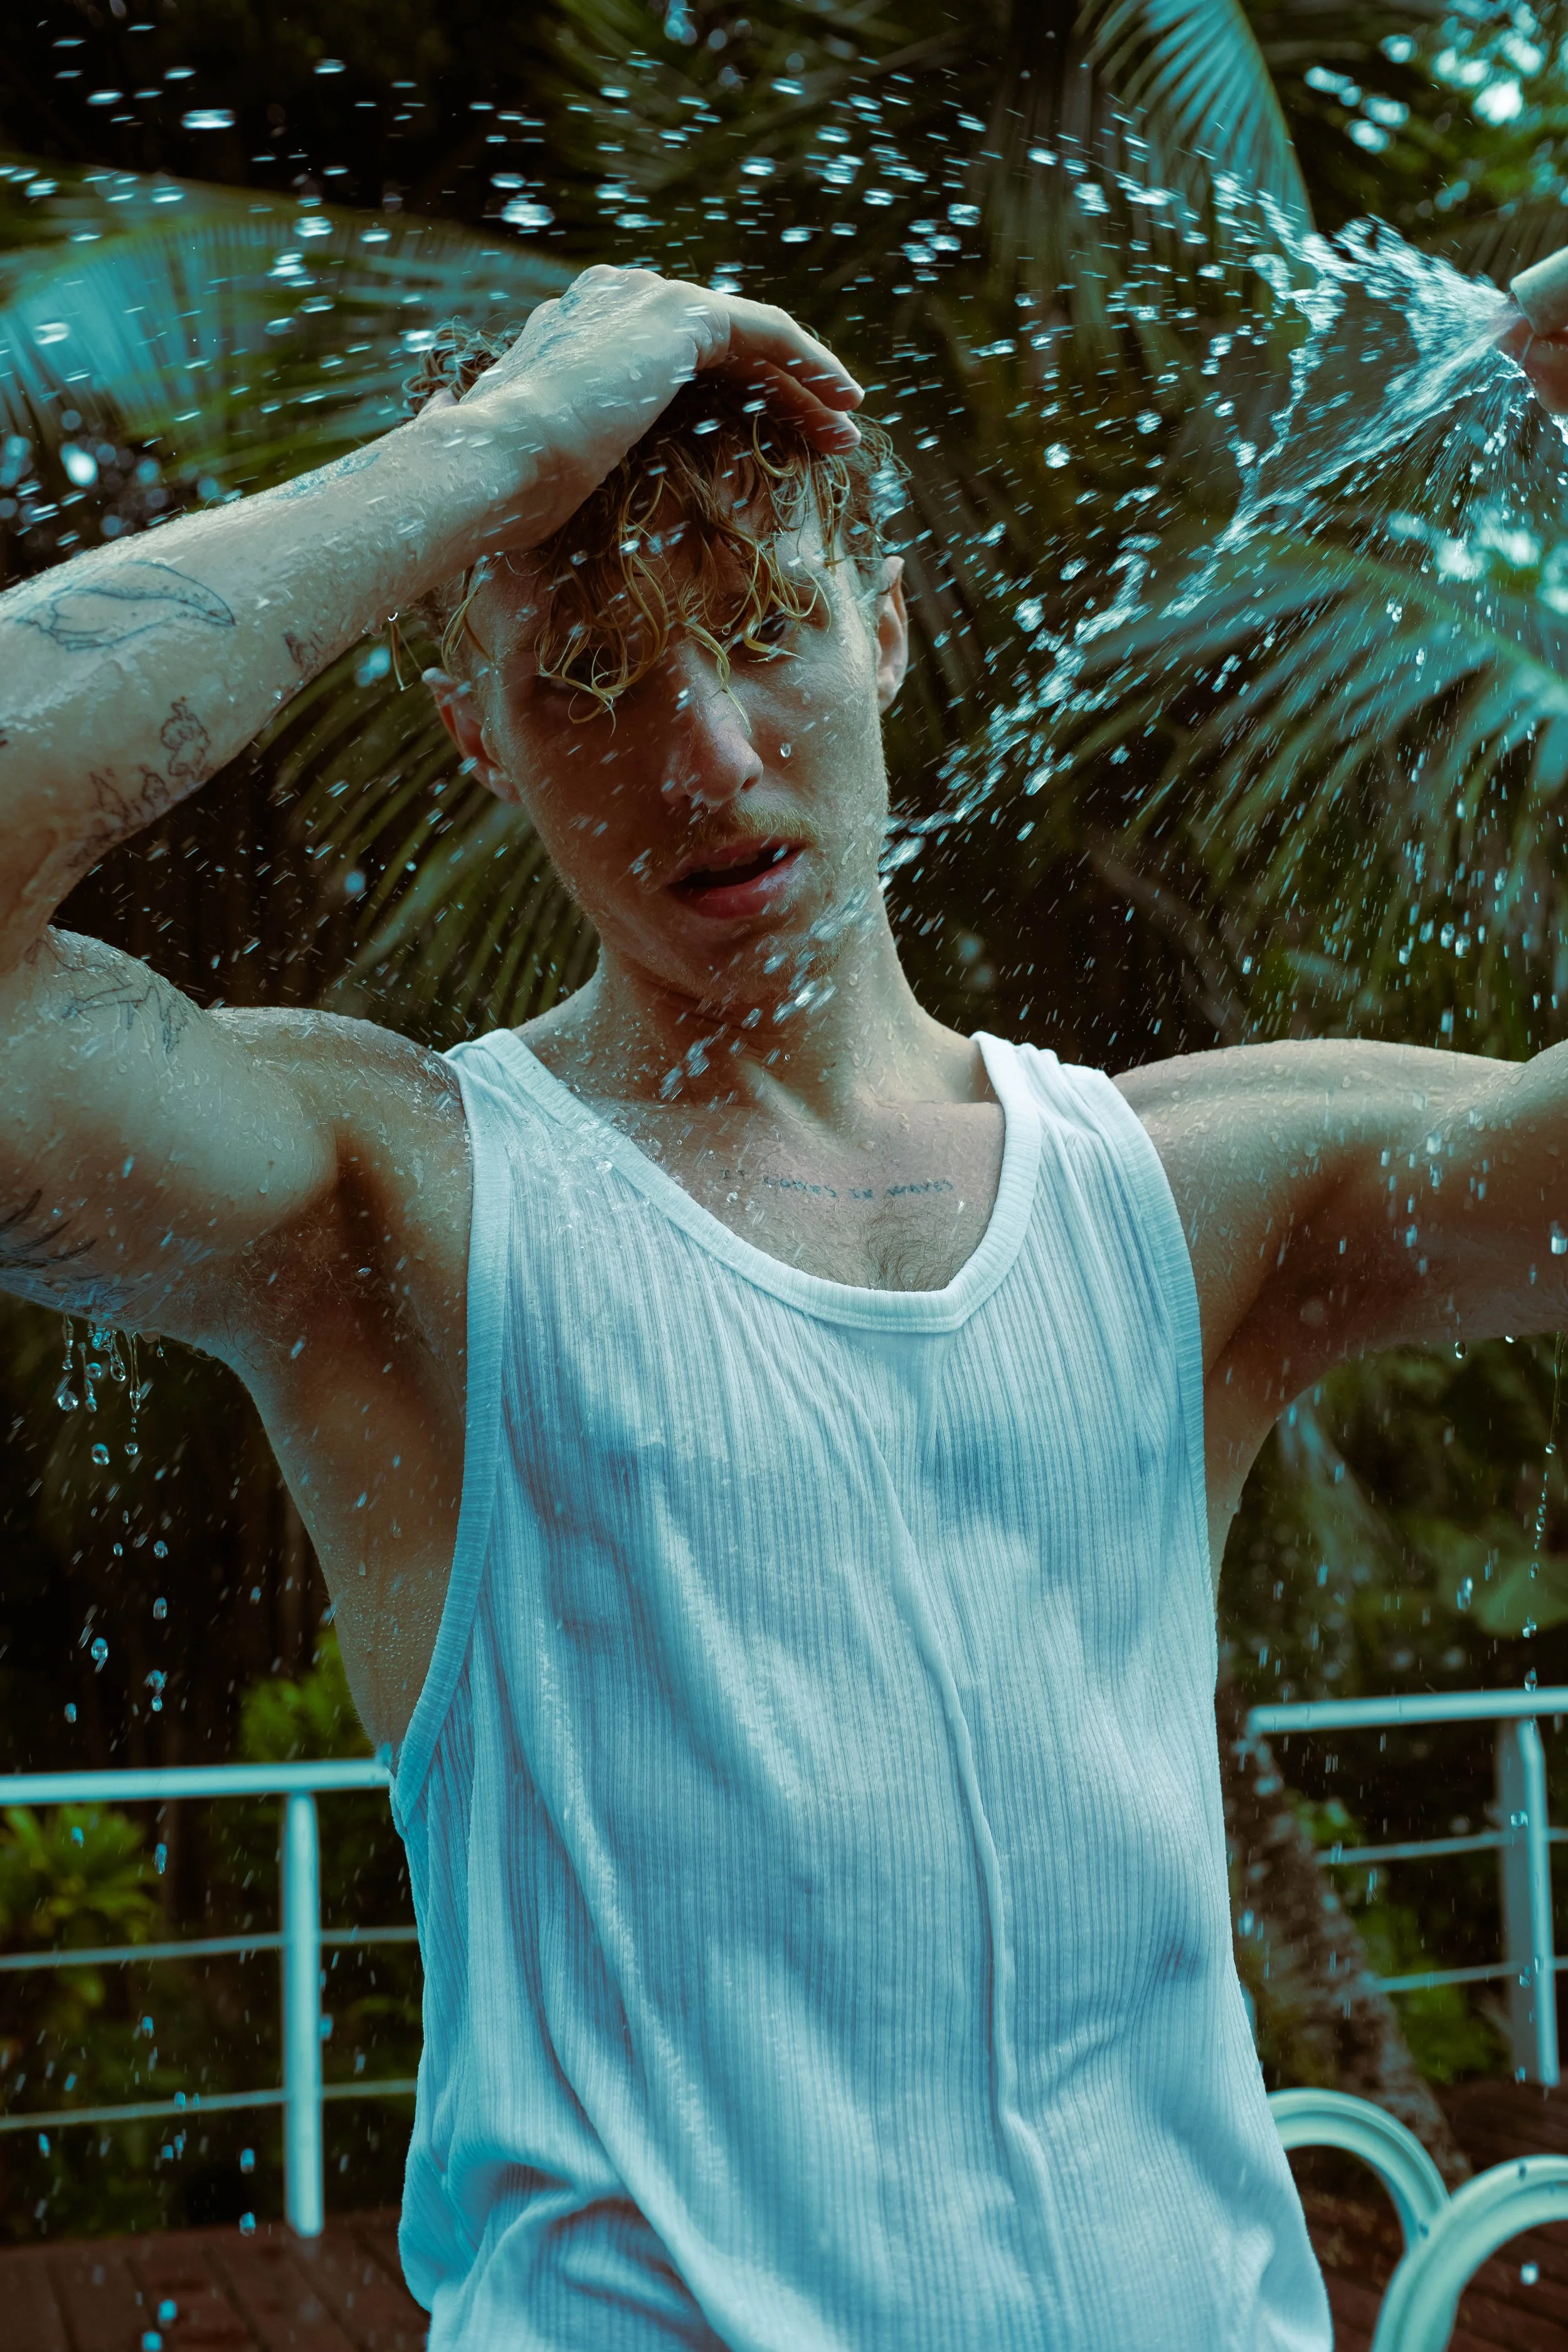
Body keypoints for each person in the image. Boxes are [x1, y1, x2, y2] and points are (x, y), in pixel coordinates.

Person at [1, 263, 1565, 2348]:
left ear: (885, 627)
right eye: (588, 676)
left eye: (764, 634)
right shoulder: (399, 1210)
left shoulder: (1189, 1196)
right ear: (475, 734)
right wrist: (485, 458)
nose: (708, 754)